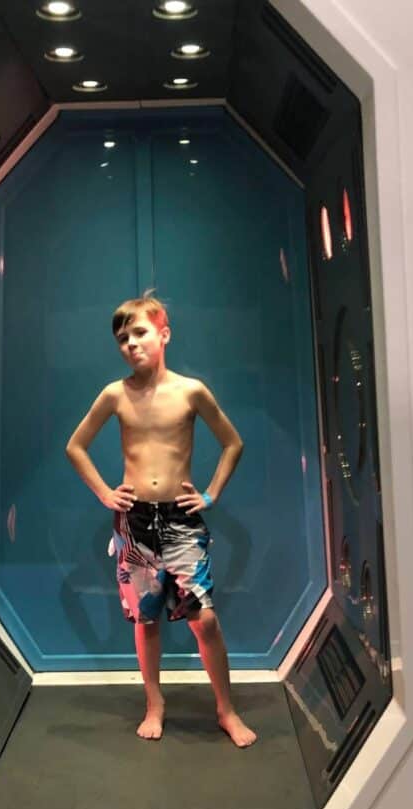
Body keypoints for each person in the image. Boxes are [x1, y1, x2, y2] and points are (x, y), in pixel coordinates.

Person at [65, 292, 257, 748]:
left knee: (204, 619)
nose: (130, 344)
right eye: (122, 338)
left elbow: (233, 442)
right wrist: (106, 494)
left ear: (163, 334)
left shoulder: (190, 391)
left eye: (139, 333)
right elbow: (76, 446)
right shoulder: (116, 394)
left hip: (180, 520)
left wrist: (210, 493)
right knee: (145, 620)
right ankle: (155, 702)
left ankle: (226, 709)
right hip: (136, 523)